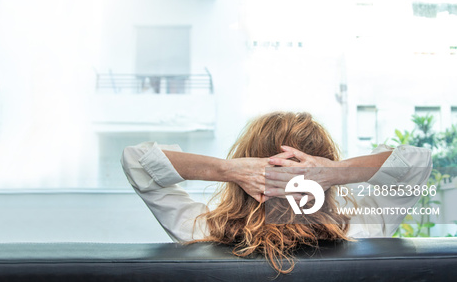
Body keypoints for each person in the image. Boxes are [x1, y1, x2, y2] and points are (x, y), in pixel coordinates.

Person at [121, 111, 432, 274]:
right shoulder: (365, 228)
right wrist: (334, 173)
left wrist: (226, 170)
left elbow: (137, 160)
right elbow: (416, 163)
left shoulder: (200, 230)